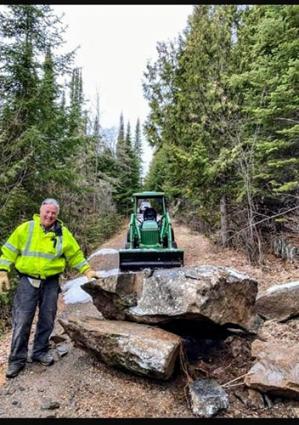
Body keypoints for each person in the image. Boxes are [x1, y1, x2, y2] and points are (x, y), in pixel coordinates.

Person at [0, 198, 98, 379]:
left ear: (57, 215)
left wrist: (87, 270)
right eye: (47, 211)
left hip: (51, 283)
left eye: (53, 213)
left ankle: (39, 351)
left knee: (47, 319)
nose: (50, 215)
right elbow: (9, 250)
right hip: (27, 281)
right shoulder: (26, 228)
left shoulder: (63, 233)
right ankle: (16, 360)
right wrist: (3, 271)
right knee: (22, 321)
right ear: (41, 211)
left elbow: (74, 254)